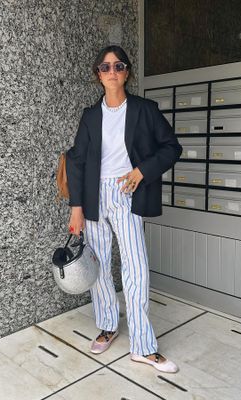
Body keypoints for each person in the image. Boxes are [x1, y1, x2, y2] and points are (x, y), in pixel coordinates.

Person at [66, 45, 182, 373]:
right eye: (105, 67)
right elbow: (76, 161)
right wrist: (76, 207)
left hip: (126, 192)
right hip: (93, 197)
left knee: (136, 267)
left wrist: (141, 171)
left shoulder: (144, 110)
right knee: (99, 263)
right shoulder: (90, 116)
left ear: (127, 72)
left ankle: (143, 347)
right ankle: (107, 325)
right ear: (98, 75)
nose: (112, 71)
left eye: (119, 66)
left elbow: (172, 147)